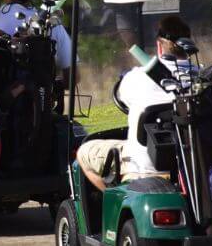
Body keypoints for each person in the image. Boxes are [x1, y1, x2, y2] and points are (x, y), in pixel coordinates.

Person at [76, 15, 194, 191]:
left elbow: (122, 98)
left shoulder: (135, 78)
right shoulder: (202, 78)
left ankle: (112, 199)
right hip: (189, 163)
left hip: (143, 166)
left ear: (159, 46)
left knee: (84, 153)